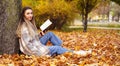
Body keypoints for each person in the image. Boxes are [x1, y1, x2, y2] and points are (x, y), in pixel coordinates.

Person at [16, 7, 92, 56]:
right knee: (56, 48)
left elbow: (33, 38)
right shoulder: (25, 28)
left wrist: (40, 35)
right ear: (23, 15)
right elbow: (27, 45)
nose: (30, 15)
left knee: (49, 34)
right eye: (28, 13)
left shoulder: (30, 24)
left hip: (37, 44)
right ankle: (77, 53)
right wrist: (42, 52)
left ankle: (61, 49)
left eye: (31, 13)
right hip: (35, 50)